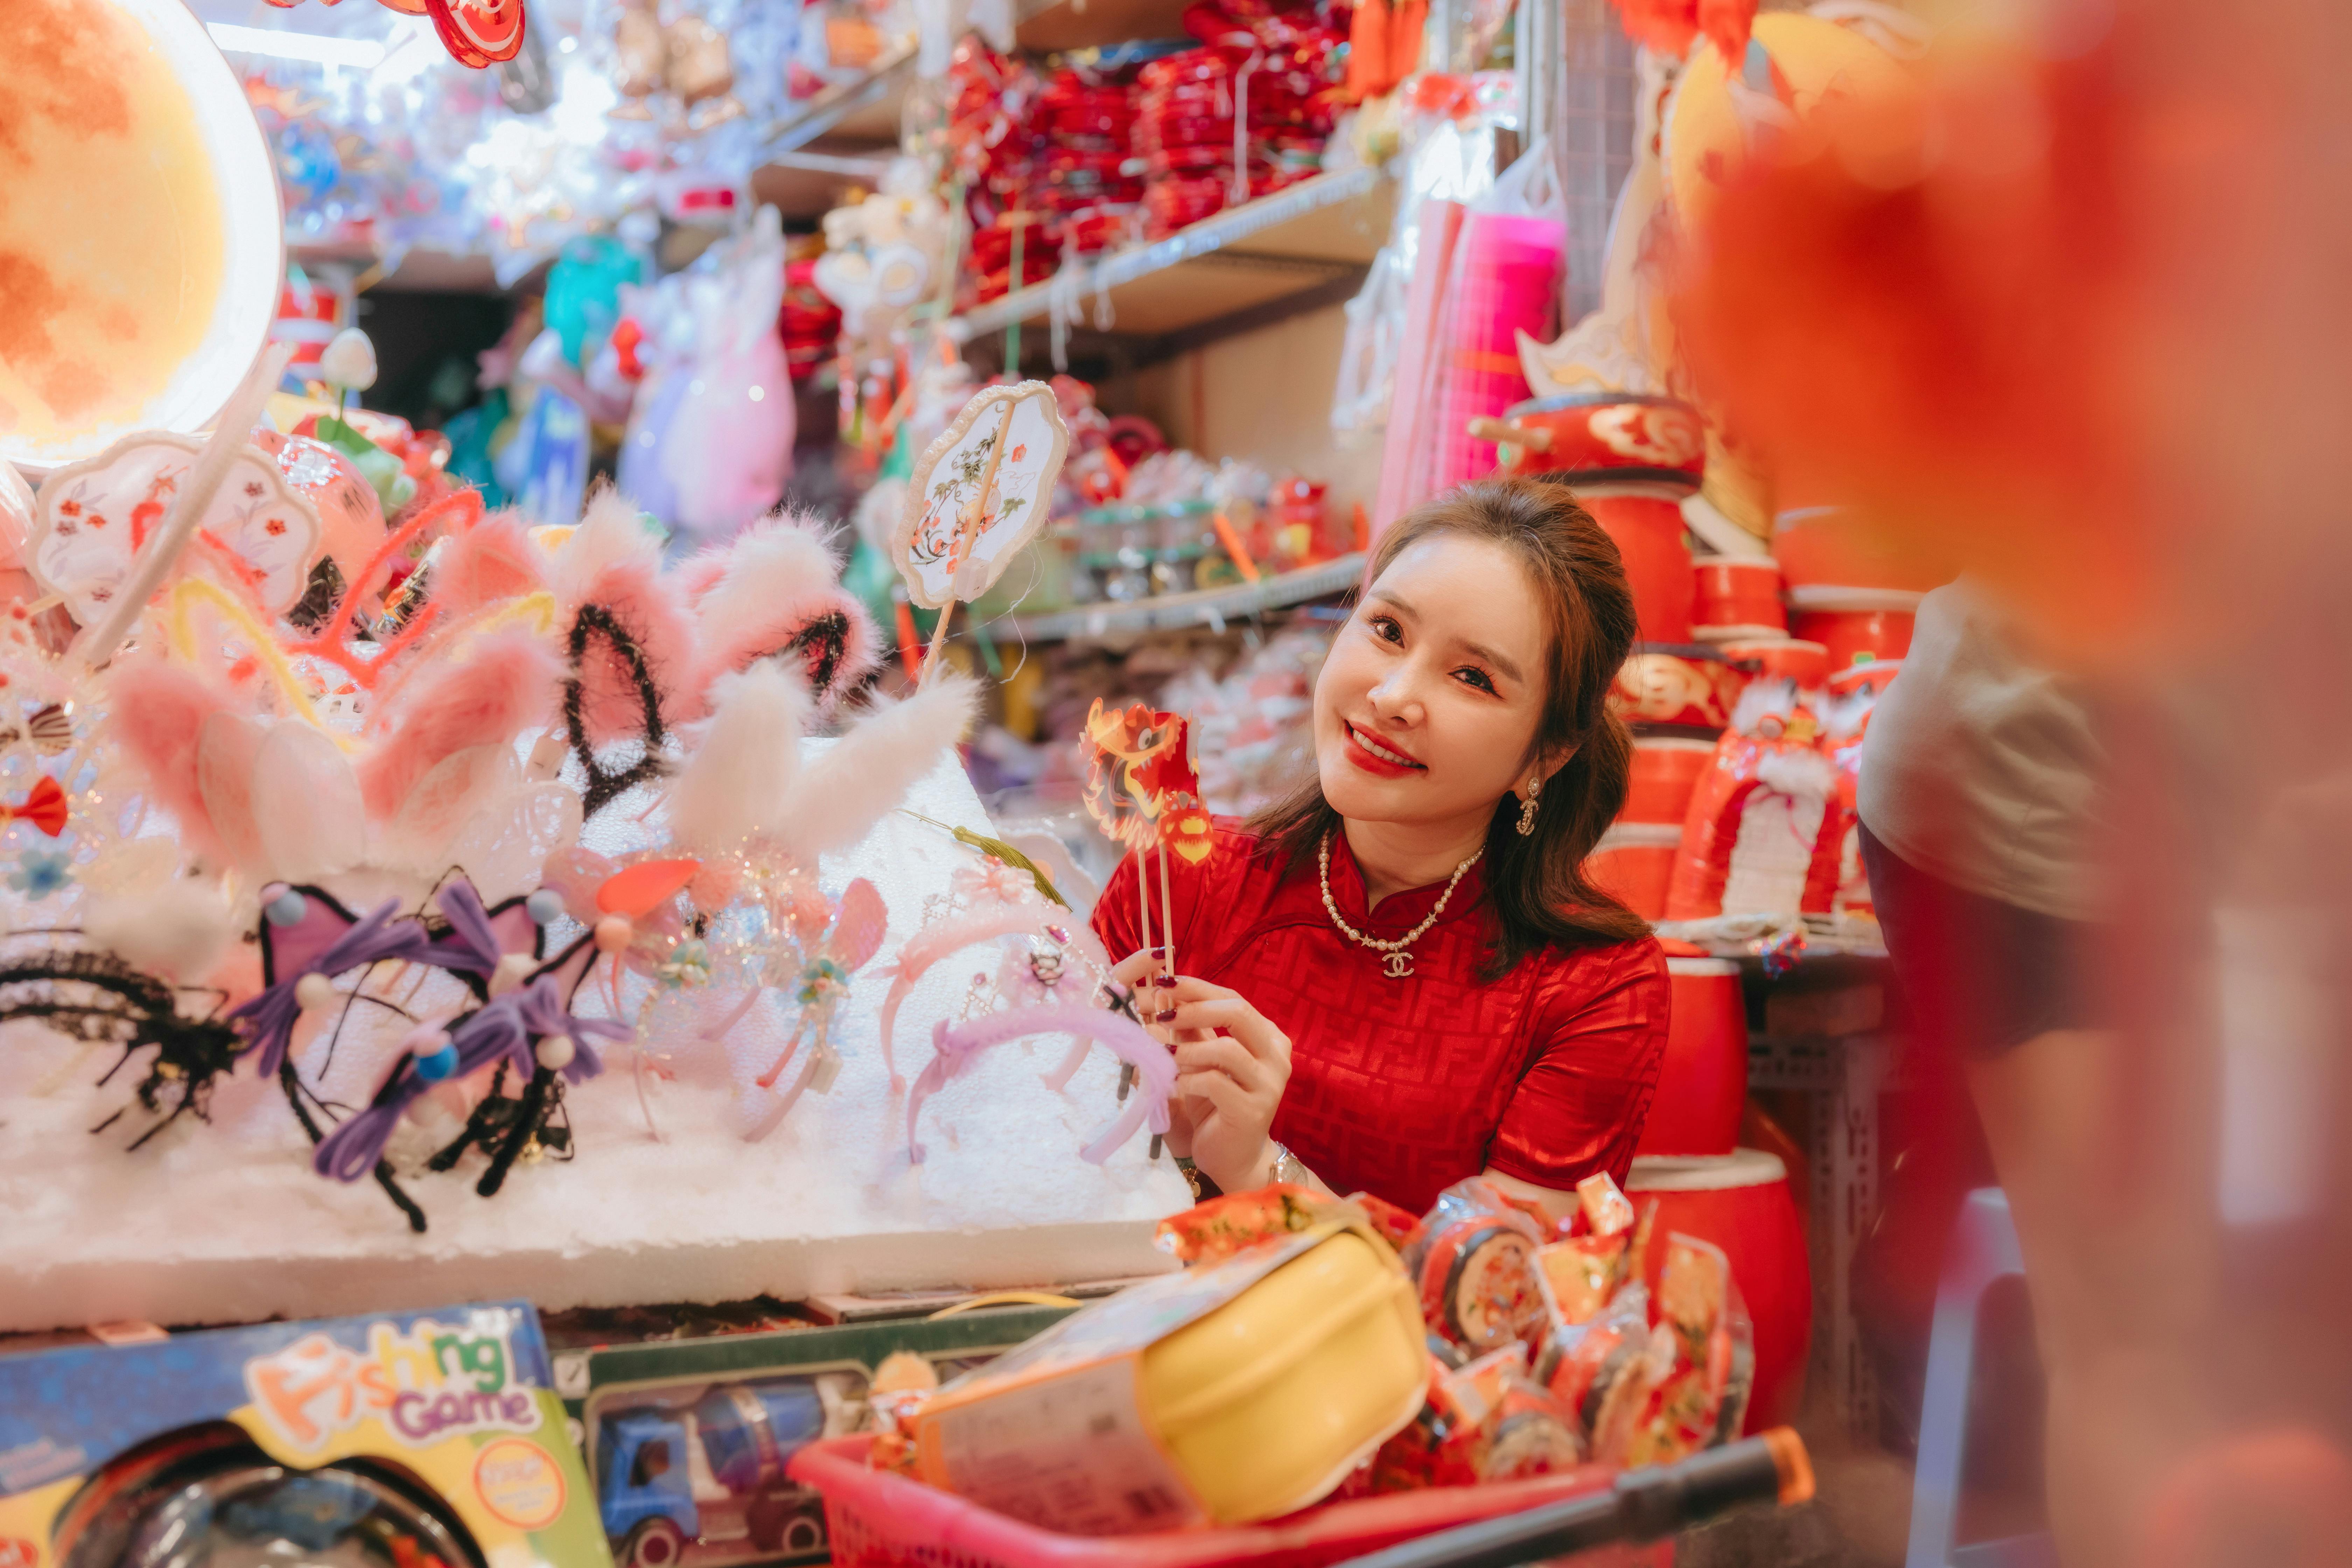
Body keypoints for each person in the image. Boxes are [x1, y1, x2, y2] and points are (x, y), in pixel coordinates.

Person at [1091, 477, 1670, 1220]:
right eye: (1389, 630)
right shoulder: (1180, 878)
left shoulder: (1590, 986)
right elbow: (1021, 1158)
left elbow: (1501, 1301)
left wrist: (1261, 1172)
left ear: (1546, 755)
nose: (1395, 694)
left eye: (1473, 677)